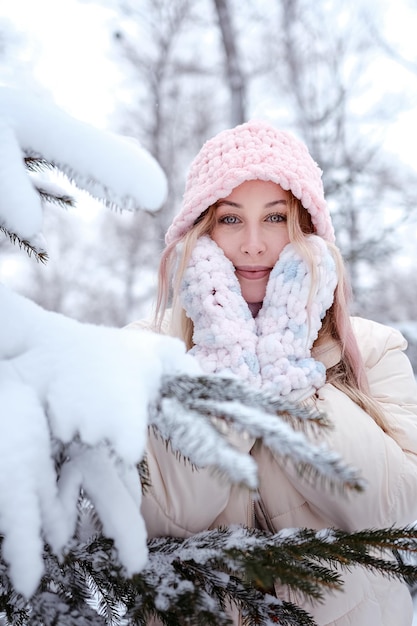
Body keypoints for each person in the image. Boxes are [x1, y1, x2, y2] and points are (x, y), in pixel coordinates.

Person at [130, 120, 417, 625]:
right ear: (201, 232)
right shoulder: (144, 352)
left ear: (305, 227)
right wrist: (225, 358)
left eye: (277, 217)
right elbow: (162, 512)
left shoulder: (372, 350)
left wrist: (288, 365)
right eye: (231, 220)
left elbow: (390, 508)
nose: (255, 245)